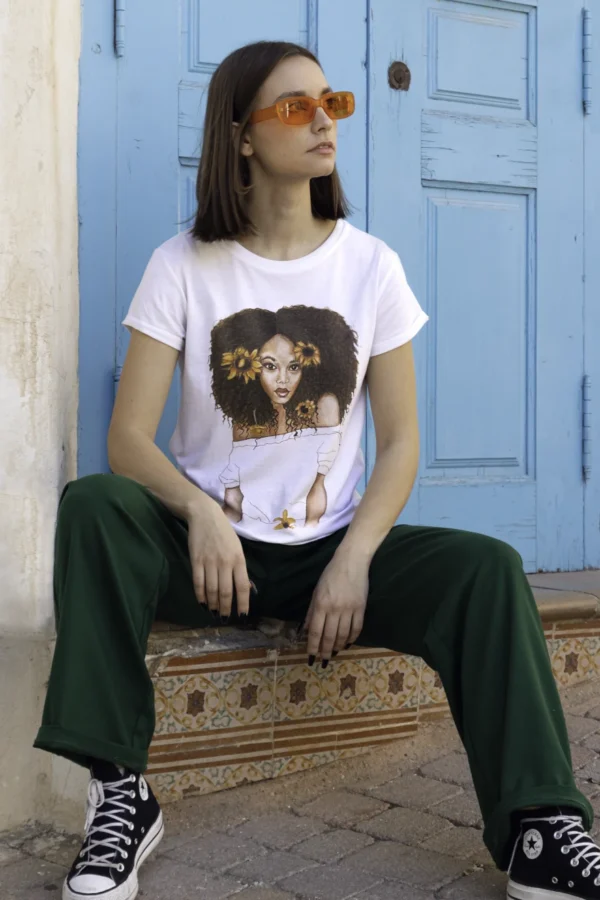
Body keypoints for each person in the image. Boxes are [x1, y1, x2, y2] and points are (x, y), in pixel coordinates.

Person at [33, 39, 598, 900]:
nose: (323, 119)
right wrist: (201, 513)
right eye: (295, 106)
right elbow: (128, 441)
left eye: (330, 102)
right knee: (95, 506)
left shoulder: (371, 267)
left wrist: (355, 558)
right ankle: (120, 793)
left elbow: (402, 441)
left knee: (485, 570)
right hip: (209, 559)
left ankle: (540, 828)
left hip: (331, 551)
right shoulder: (182, 264)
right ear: (244, 137)